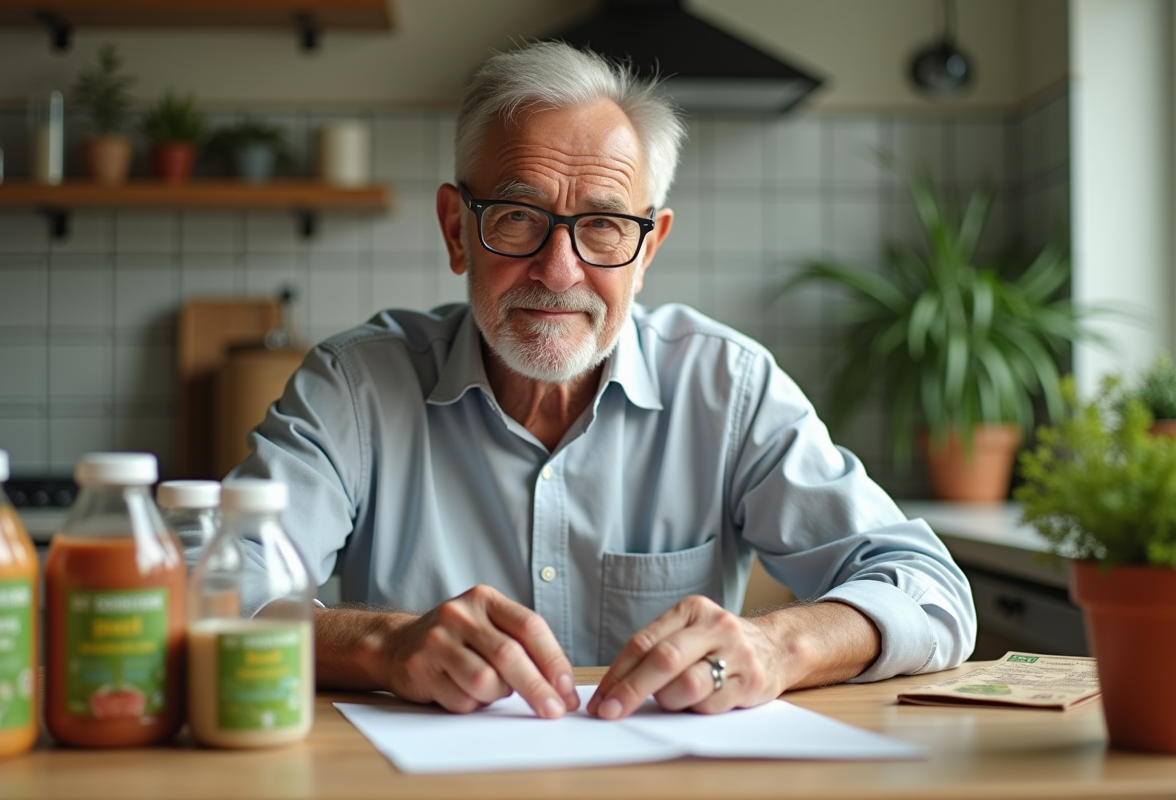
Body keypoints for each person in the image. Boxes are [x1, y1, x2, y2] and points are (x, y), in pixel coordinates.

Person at [232, 41, 976, 722]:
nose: (559, 272)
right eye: (518, 217)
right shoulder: (356, 386)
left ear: (648, 249)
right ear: (457, 229)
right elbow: (220, 587)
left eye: (604, 225)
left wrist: (780, 646)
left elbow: (930, 589)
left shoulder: (729, 387)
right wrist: (384, 645)